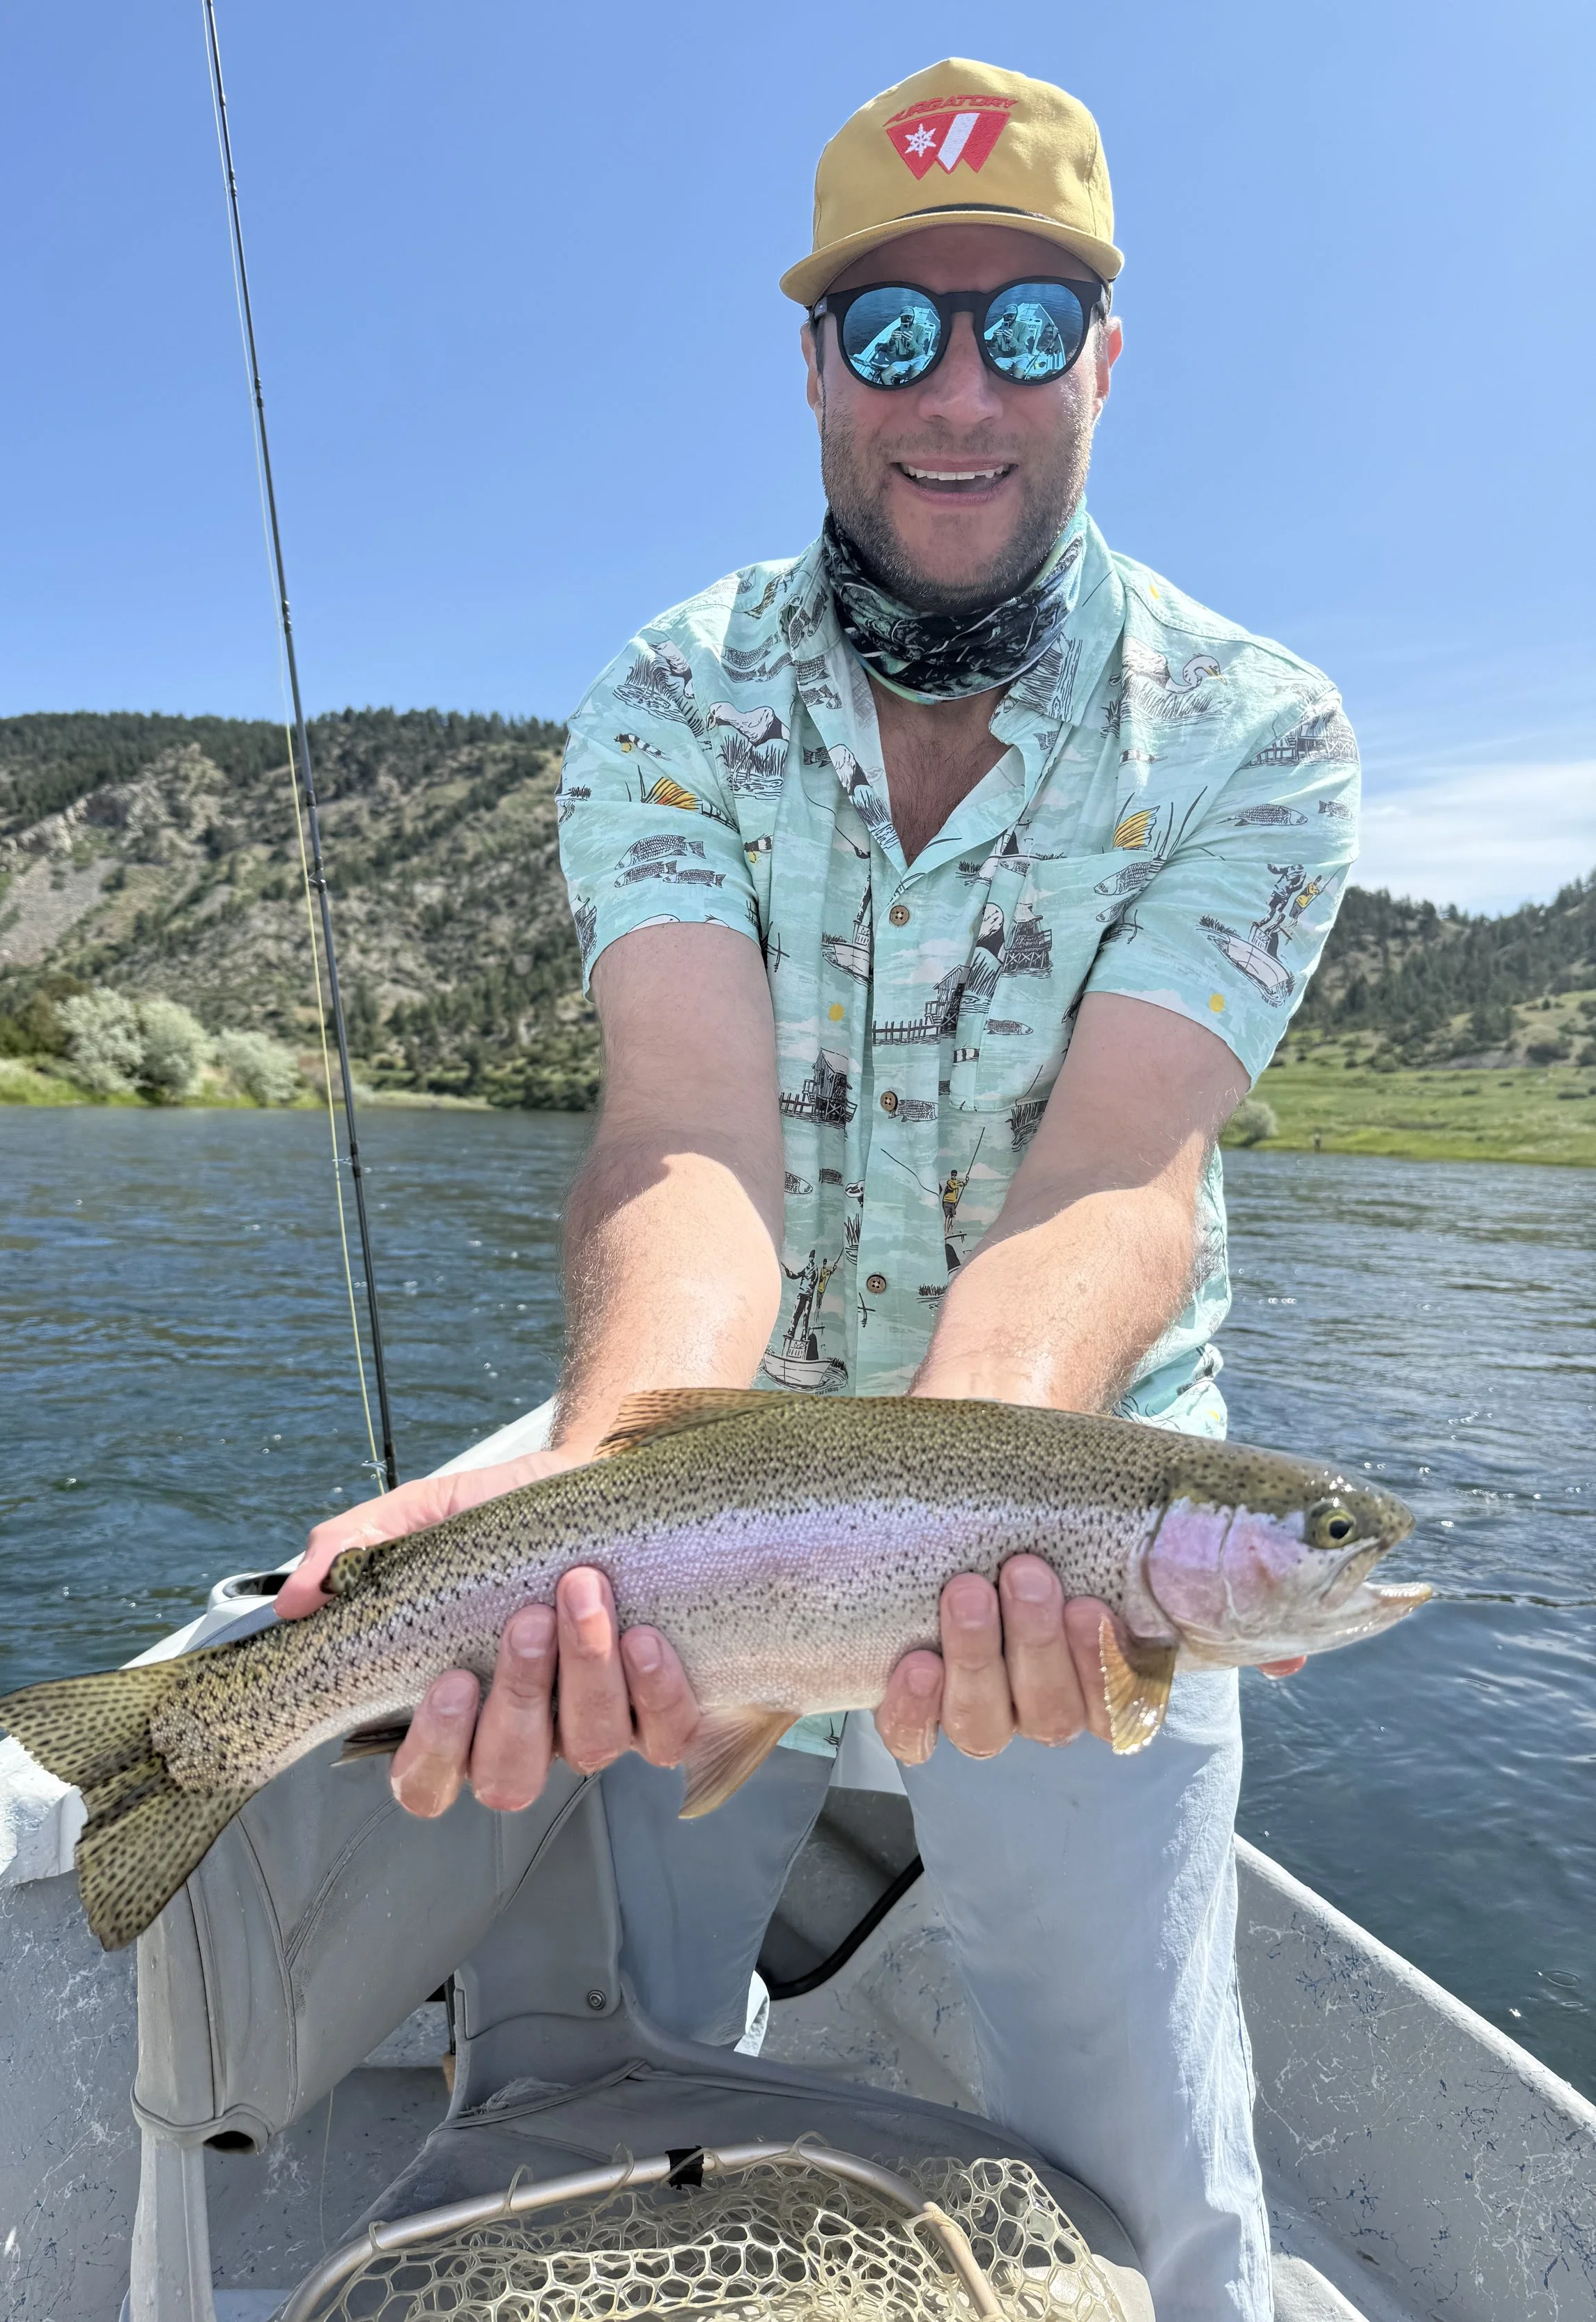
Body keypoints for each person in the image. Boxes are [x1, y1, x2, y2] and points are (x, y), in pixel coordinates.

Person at [279, 59, 1359, 2321]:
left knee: (1145, 2127)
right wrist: (577, 1491)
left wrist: (985, 1509)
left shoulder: (1259, 732)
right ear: (809, 365)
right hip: (707, 1473)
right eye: (890, 330)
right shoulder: (669, 692)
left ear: (1105, 359)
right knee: (640, 2034)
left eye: (1020, 327)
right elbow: (686, 1132)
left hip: (1077, 1513)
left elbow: (1111, 1172)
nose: (953, 392)